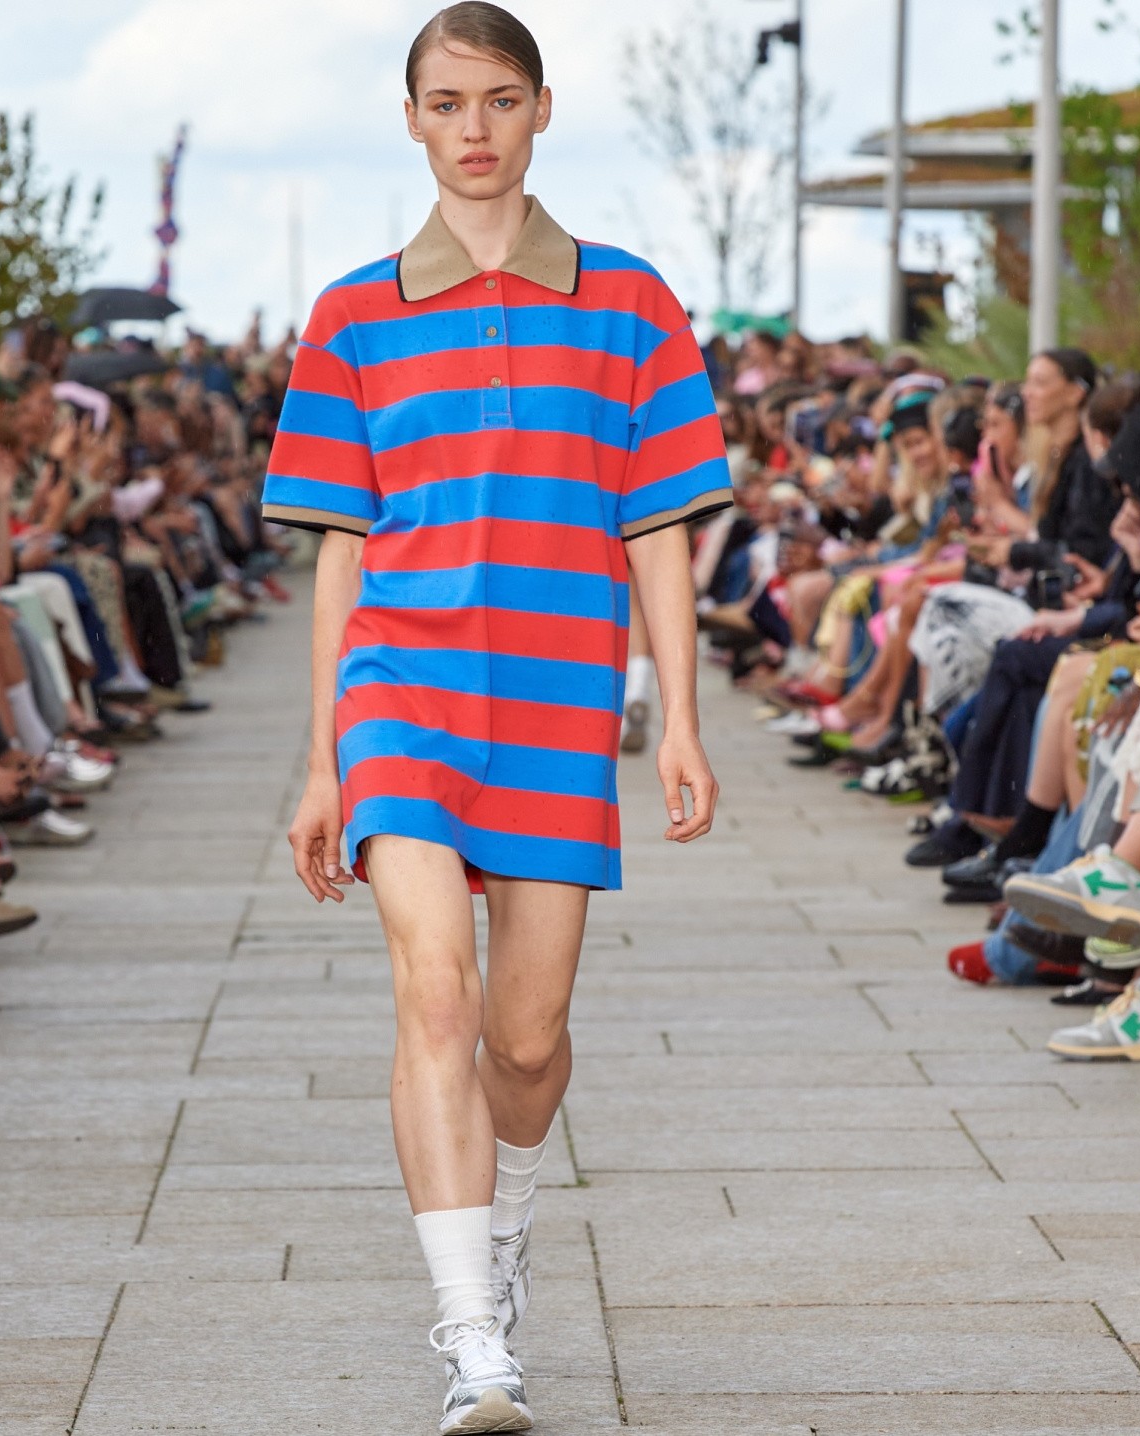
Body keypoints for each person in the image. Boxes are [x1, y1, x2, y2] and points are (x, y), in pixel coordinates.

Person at [262, 6, 729, 1432]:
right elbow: (340, 550)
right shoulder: (353, 314)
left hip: (559, 701)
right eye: (447, 101)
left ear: (541, 112)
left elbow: (658, 532)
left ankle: (507, 1222)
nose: (474, 127)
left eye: (500, 100)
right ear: (411, 119)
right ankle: (474, 1336)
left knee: (527, 1041)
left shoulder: (632, 304)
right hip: (401, 695)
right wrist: (321, 761)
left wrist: (680, 720)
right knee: (437, 1002)